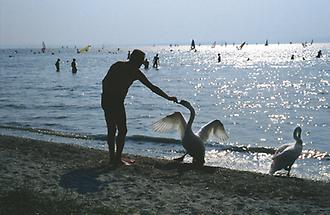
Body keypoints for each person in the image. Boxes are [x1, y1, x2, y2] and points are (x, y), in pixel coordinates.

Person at [101, 49, 178, 165]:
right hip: (114, 100)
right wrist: (112, 94)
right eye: (140, 61)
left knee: (112, 129)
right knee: (121, 130)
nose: (141, 64)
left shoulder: (122, 67)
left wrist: (168, 97)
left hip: (107, 99)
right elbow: (152, 87)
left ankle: (113, 158)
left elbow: (152, 87)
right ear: (134, 59)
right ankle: (116, 159)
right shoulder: (130, 70)